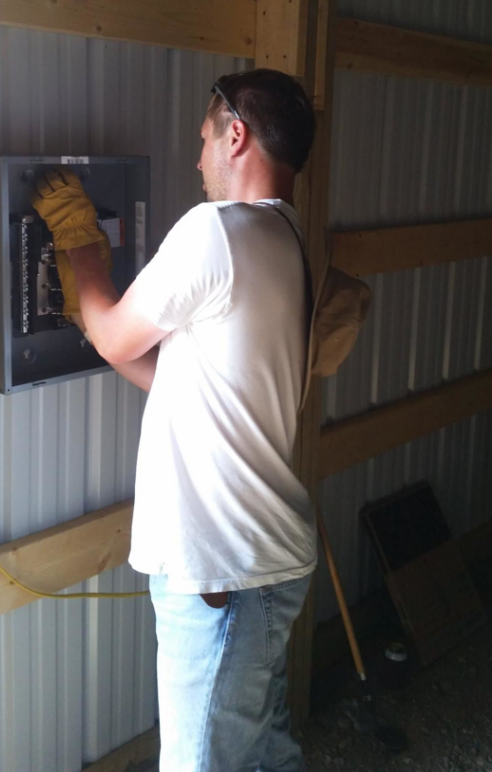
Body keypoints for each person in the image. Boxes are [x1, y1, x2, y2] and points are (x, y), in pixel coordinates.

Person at [33, 68, 317, 772]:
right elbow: (173, 378)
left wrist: (79, 240)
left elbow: (114, 335)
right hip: (267, 569)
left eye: (202, 141)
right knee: (263, 755)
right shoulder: (287, 242)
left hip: (222, 575)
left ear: (236, 134)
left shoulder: (216, 233)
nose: (196, 162)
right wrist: (96, 313)